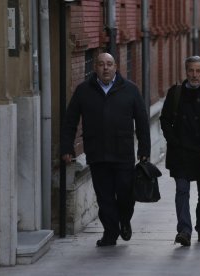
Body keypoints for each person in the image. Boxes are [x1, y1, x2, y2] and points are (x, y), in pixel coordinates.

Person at [61, 52, 151, 247]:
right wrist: (67, 147)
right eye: (101, 64)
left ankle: (124, 220)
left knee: (126, 194)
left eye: (109, 64)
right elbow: (70, 120)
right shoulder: (84, 90)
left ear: (116, 67)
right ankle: (110, 232)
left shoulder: (130, 90)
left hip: (123, 153)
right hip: (97, 153)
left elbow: (143, 121)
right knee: (105, 197)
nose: (105, 68)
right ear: (95, 67)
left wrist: (144, 149)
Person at [160, 56, 200, 246]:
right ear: (185, 72)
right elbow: (165, 119)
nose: (194, 75)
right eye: (191, 71)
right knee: (182, 191)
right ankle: (184, 231)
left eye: (198, 71)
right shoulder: (175, 92)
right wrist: (173, 140)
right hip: (181, 153)